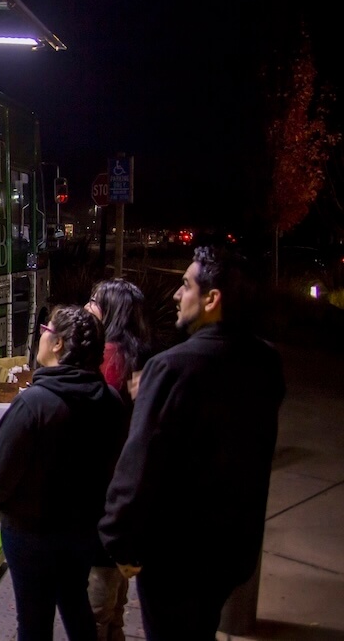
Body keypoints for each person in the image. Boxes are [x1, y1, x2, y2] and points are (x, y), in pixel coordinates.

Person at [98, 246, 285, 641]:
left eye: (185, 285)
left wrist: (119, 542)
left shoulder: (172, 368)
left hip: (174, 559)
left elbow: (139, 464)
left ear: (212, 298)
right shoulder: (266, 362)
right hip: (231, 554)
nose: (175, 296)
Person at [0, 306, 127, 641]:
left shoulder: (33, 404)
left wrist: (3, 505)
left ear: (59, 344)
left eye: (46, 328)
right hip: (82, 533)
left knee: (33, 622)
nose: (41, 334)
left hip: (30, 535)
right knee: (75, 601)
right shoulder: (111, 401)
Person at [82, 279, 150, 641]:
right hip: (125, 483)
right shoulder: (137, 353)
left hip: (104, 485)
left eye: (95, 302)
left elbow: (93, 413)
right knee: (115, 600)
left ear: (113, 312)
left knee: (97, 597)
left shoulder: (110, 356)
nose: (87, 306)